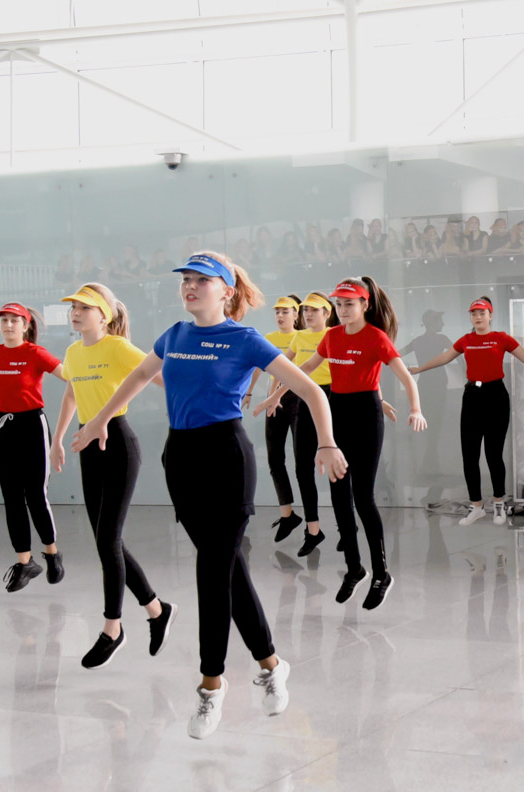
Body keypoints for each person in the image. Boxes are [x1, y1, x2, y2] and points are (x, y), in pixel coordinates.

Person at [72, 252, 345, 738]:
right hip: (180, 459)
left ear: (226, 290)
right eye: (186, 279)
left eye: (202, 280)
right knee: (228, 568)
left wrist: (326, 442)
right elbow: (138, 377)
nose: (190, 286)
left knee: (211, 571)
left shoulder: (245, 339)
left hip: (226, 458)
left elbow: (313, 391)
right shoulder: (174, 336)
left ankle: (210, 686)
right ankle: (271, 664)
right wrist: (98, 419)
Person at [50, 282, 175, 671]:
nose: (75, 313)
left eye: (84, 308)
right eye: (73, 307)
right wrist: (56, 440)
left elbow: (162, 376)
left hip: (118, 443)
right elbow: (71, 394)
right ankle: (157, 609)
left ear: (103, 315)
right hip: (88, 445)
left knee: (108, 540)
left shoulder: (118, 348)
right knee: (108, 542)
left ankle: (112, 629)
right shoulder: (73, 352)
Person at [285, 276, 425, 609]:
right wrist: (277, 392)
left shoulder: (376, 337)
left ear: (365, 305)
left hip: (366, 415)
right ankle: (354, 568)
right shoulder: (332, 336)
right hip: (338, 412)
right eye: (339, 304)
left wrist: (416, 409)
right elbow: (306, 368)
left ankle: (381, 573)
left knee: (363, 497)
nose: (343, 309)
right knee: (338, 496)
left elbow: (405, 376)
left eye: (349, 304)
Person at [408, 297, 524, 525]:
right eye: (474, 313)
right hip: (472, 397)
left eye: (482, 313)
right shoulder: (466, 340)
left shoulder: (501, 338)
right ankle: (476, 506)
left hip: (496, 396)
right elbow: (444, 358)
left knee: (494, 454)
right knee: (470, 455)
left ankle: (499, 505)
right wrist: (420, 369)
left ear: (490, 315)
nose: (477, 317)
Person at [0, 302, 69, 590]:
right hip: (5, 426)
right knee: (11, 497)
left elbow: (68, 376)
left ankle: (52, 552)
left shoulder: (35, 353)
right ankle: (25, 562)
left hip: (33, 426)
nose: (8, 325)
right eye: (4, 320)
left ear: (26, 325)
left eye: (14, 320)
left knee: (35, 494)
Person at [256, 296, 322, 545]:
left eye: (286, 311)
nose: (280, 316)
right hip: (279, 396)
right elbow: (269, 369)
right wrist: (266, 395)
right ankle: (288, 514)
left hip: (300, 398)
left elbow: (306, 370)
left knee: (302, 465)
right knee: (274, 458)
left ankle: (314, 526)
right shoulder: (271, 338)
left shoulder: (306, 337)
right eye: (277, 312)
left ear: (296, 315)